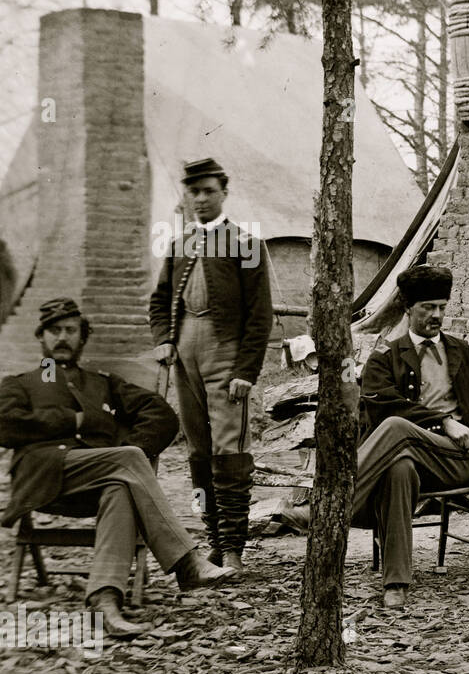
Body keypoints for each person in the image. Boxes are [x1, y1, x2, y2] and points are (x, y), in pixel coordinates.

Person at [0, 299, 232, 635]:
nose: (62, 337)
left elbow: (161, 415)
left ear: (82, 338)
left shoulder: (103, 383)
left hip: (96, 481)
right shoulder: (19, 383)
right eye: (54, 331)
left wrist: (128, 446)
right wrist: (72, 419)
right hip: (42, 477)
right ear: (42, 338)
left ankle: (105, 603)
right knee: (129, 461)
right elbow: (5, 425)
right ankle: (186, 562)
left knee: (121, 487)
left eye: (70, 330)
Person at [352, 265, 469, 608]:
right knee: (398, 467)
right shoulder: (384, 358)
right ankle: (396, 583)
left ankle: (340, 504)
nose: (437, 315)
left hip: (461, 459)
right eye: (428, 307)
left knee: (398, 429)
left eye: (441, 307)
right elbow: (381, 409)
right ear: (407, 308)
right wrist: (443, 420)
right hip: (410, 456)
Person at [148, 158, 272, 579]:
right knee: (198, 454)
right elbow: (160, 301)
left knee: (230, 451)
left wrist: (246, 371)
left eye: (208, 191)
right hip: (185, 355)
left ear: (224, 192)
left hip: (226, 355)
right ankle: (214, 543)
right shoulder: (179, 245)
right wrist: (164, 339)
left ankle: (235, 548)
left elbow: (260, 316)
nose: (200, 199)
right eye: (194, 191)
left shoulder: (246, 244)